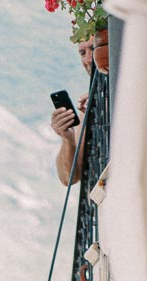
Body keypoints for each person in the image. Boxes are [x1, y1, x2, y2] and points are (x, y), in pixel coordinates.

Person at [51, 35, 94, 185]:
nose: (88, 60)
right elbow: (67, 178)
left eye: (94, 49)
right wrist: (68, 139)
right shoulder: (88, 108)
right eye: (83, 53)